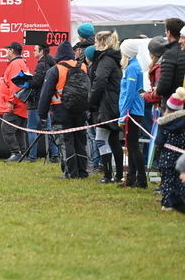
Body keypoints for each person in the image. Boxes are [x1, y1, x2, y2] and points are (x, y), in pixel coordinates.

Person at [37, 41, 89, 179]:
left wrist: (42, 114)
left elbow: (46, 93)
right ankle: (82, 171)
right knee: (80, 141)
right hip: (80, 110)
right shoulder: (83, 66)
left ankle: (70, 173)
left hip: (61, 110)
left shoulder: (56, 69)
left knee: (66, 142)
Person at [88, 31, 123, 183]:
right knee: (113, 139)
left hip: (106, 104)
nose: (94, 45)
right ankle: (118, 174)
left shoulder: (105, 60)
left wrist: (92, 101)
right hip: (112, 102)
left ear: (102, 43)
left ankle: (108, 174)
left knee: (101, 139)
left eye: (96, 42)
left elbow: (100, 81)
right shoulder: (112, 59)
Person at [118, 38, 147, 188]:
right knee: (131, 146)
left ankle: (141, 180)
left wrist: (123, 115)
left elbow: (129, 93)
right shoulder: (134, 66)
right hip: (134, 111)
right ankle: (132, 178)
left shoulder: (131, 68)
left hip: (132, 112)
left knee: (133, 146)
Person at [25, 44, 57, 162]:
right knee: (49, 129)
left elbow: (36, 83)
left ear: (42, 51)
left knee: (32, 128)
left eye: (35, 50)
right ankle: (55, 155)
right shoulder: (52, 65)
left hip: (37, 101)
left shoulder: (40, 66)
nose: (33, 52)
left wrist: (27, 81)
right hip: (48, 100)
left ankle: (32, 156)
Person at [155, 88, 185, 211]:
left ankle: (168, 203)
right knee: (180, 180)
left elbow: (159, 141)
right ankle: (181, 201)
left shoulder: (164, 123)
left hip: (167, 157)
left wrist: (158, 147)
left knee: (167, 180)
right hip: (182, 157)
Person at [0, 42, 28, 162]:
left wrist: (11, 102)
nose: (6, 52)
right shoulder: (19, 63)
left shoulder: (15, 64)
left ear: (12, 51)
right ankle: (22, 154)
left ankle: (16, 153)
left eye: (8, 49)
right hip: (20, 103)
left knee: (6, 129)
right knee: (19, 131)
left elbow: (16, 85)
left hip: (15, 105)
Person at [156, 17, 185, 102]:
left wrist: (157, 89)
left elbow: (164, 85)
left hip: (174, 102)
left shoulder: (170, 54)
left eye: (183, 38)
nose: (180, 41)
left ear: (169, 33)